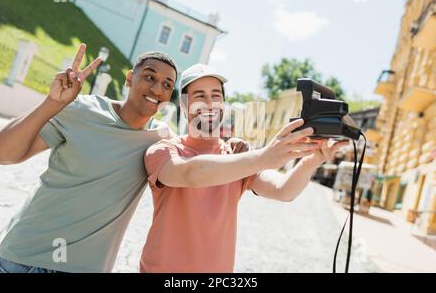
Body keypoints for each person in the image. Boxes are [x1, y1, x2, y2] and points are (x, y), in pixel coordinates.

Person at [0, 44, 180, 273]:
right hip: (23, 260)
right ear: (129, 78)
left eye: (167, 85)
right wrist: (53, 103)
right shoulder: (82, 110)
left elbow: (196, 165)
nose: (157, 89)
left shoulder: (161, 139)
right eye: (149, 76)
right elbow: (0, 154)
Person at [140, 63, 349, 272]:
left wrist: (312, 160)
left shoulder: (238, 155)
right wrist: (263, 156)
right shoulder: (164, 150)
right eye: (199, 96)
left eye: (216, 96)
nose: (209, 104)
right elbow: (191, 173)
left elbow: (283, 190)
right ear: (184, 106)